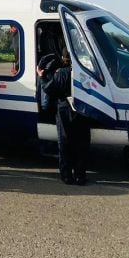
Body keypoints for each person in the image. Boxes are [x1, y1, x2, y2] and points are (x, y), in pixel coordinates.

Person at [36, 50, 91, 185]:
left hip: (64, 109)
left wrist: (41, 76)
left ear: (63, 58)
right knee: (82, 143)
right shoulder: (86, 73)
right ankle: (80, 176)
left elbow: (48, 89)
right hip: (83, 111)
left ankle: (67, 175)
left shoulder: (61, 73)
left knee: (65, 142)